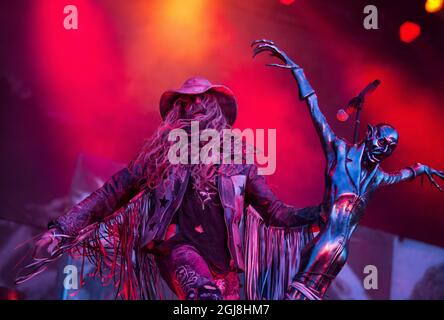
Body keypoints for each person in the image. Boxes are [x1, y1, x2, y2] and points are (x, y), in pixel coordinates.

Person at [21, 76, 321, 300]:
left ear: (214, 111)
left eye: (198, 103)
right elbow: (111, 193)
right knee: (203, 297)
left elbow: (275, 212)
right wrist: (60, 229)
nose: (191, 110)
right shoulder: (161, 156)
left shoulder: (239, 163)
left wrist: (321, 214)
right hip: (178, 251)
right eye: (185, 104)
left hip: (224, 268)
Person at [251, 39, 444, 300]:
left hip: (335, 251)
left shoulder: (377, 178)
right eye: (383, 141)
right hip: (326, 245)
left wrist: (421, 170)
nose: (384, 149)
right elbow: (315, 112)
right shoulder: (339, 151)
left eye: (390, 147)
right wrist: (298, 71)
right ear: (370, 133)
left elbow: (403, 175)